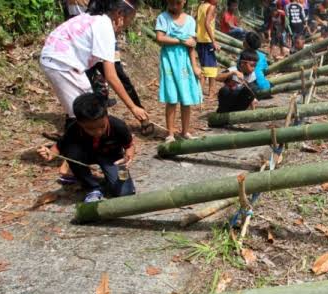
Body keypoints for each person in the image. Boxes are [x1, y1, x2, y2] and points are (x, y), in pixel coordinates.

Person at [40, 0, 147, 184]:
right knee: (83, 113)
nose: (128, 24)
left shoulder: (94, 19)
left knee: (85, 110)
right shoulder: (104, 26)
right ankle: (69, 166)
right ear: (120, 15)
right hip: (62, 62)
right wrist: (133, 107)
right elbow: (112, 75)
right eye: (131, 19)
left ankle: (72, 162)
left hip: (59, 60)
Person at [37, 93, 136, 203]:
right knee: (71, 152)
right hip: (85, 156)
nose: (97, 132)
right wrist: (49, 154)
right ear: (79, 123)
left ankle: (109, 177)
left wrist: (128, 156)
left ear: (106, 116)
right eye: (90, 129)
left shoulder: (119, 126)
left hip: (112, 157)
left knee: (125, 192)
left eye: (102, 127)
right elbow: (58, 146)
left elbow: (129, 146)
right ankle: (92, 187)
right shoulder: (73, 129)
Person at [156, 0, 204, 143]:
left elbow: (191, 46)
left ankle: (185, 132)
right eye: (171, 3)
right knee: (171, 98)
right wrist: (181, 41)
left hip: (185, 63)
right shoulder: (163, 18)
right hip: (169, 61)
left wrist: (195, 66)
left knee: (186, 97)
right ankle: (170, 133)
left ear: (183, 2)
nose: (174, 6)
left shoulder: (190, 20)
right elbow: (159, 38)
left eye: (177, 3)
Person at [196, 0, 220, 99]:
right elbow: (207, 23)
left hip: (200, 41)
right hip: (207, 41)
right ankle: (210, 92)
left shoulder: (201, 6)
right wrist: (213, 41)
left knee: (205, 67)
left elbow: (196, 20)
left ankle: (199, 92)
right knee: (212, 68)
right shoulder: (211, 7)